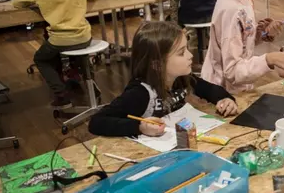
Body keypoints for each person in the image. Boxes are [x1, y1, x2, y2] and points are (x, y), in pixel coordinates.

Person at [89, 21, 237, 137]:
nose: (190, 55)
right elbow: (97, 122)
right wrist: (139, 127)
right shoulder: (140, 93)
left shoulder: (182, 78)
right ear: (158, 64)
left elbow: (210, 89)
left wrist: (225, 99)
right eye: (181, 53)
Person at [12, 0, 99, 109]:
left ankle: (62, 96)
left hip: (60, 40)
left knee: (41, 59)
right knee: (79, 51)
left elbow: (17, 3)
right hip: (84, 37)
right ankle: (88, 83)